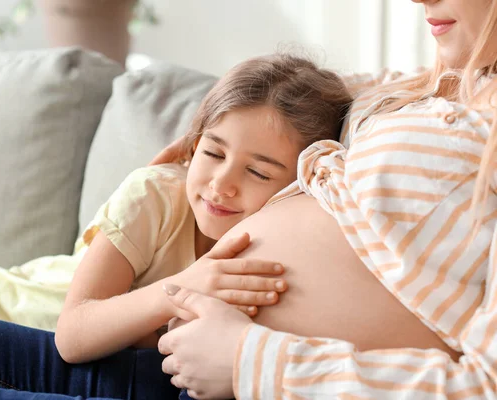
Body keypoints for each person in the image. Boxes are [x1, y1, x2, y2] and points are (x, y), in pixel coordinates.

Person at [0, 53, 354, 399]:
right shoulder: (155, 195)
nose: (221, 184)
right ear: (192, 147)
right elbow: (73, 336)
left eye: (257, 172)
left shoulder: (284, 243)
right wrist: (184, 286)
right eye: (213, 153)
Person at [152, 0, 497, 398]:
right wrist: (217, 135)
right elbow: (301, 92)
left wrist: (250, 360)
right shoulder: (449, 82)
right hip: (183, 362)